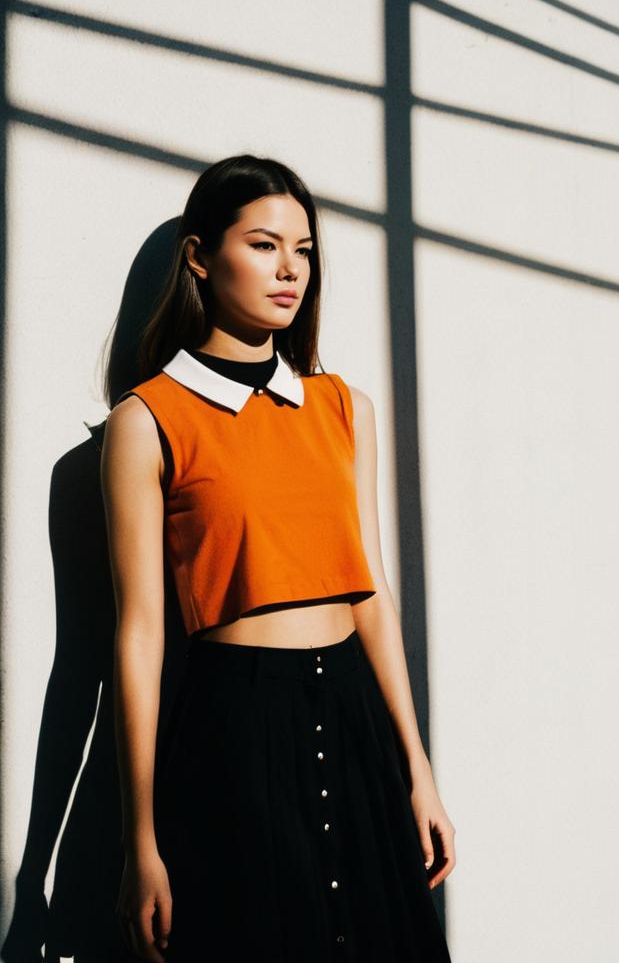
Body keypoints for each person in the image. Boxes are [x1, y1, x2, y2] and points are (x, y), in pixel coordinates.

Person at [99, 154, 456, 962]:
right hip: (233, 731)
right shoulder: (148, 419)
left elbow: (370, 594)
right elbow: (139, 636)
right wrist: (140, 841)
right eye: (264, 245)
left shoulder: (342, 408)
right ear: (199, 256)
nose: (289, 268)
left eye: (303, 248)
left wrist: (418, 770)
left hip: (356, 722)